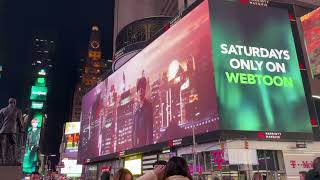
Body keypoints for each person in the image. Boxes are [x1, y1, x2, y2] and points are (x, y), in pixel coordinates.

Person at [0, 98, 23, 164]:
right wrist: (22, 130)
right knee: (14, 145)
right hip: (12, 131)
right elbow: (20, 122)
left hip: (2, 131)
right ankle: (14, 160)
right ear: (15, 103)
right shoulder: (18, 110)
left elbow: (0, 122)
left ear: (9, 102)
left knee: (3, 146)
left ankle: (3, 160)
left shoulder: (2, 110)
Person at [132, 76, 153, 147]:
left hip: (145, 145)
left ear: (145, 91)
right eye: (139, 90)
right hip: (136, 146)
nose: (141, 91)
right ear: (137, 92)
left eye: (142, 89)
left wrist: (148, 148)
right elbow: (133, 131)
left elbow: (149, 129)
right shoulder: (136, 111)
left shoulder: (148, 107)